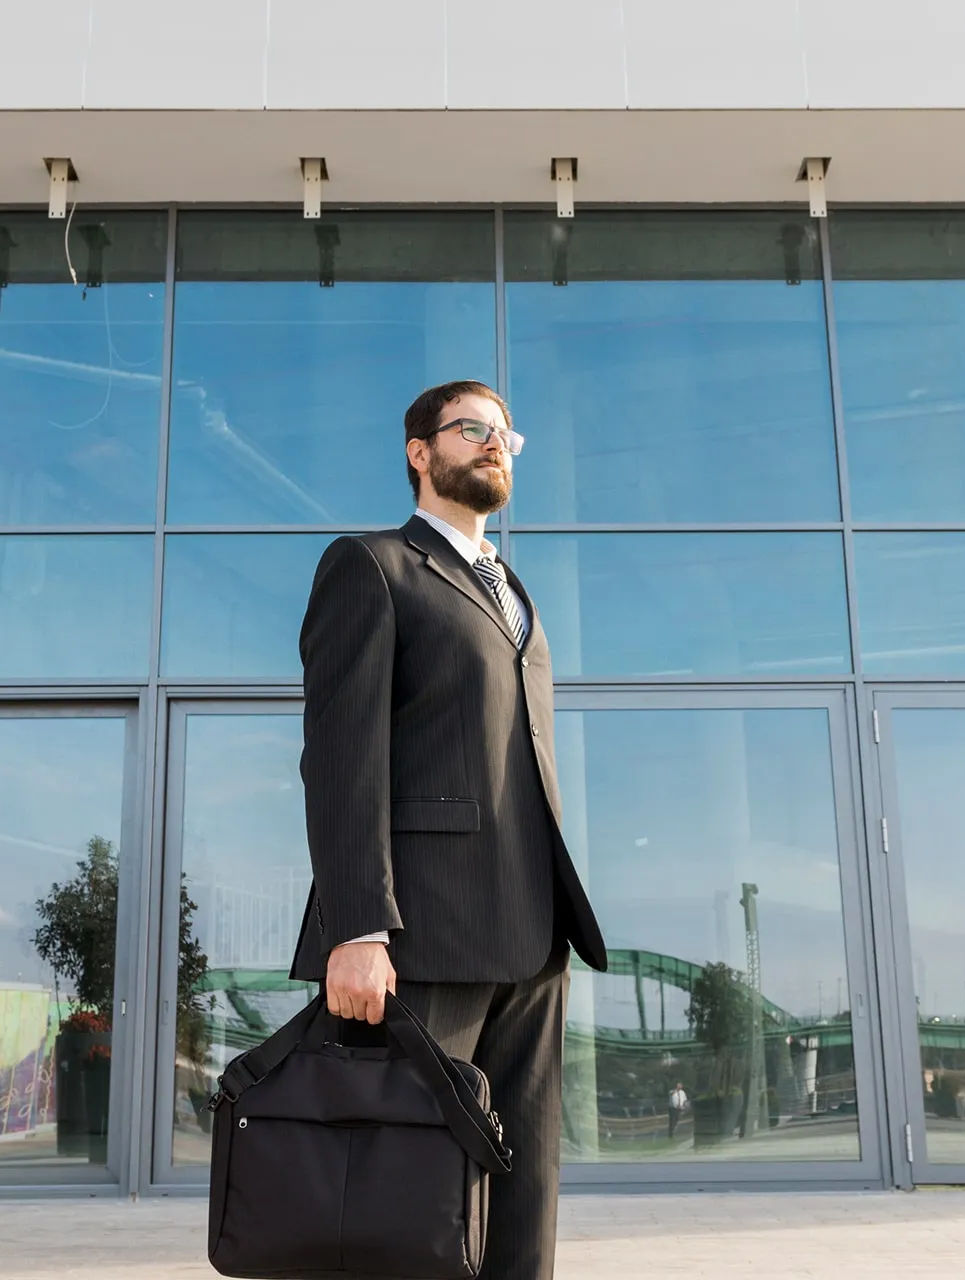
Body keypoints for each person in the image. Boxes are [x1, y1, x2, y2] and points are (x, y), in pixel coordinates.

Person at [289, 379, 608, 1280]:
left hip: (534, 935)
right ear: (419, 453)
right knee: (401, 1197)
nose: (494, 443)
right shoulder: (373, 566)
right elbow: (341, 759)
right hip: (419, 935)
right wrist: (357, 927)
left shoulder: (516, 594)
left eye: (507, 432)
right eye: (472, 428)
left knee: (523, 1192)